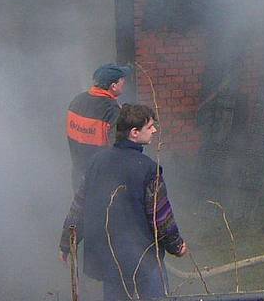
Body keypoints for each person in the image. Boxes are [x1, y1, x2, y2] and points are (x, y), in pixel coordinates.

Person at [59, 104, 188, 301]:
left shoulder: (97, 162)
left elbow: (79, 207)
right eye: (150, 127)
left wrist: (67, 243)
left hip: (109, 257)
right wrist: (176, 245)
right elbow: (160, 216)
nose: (154, 130)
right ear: (134, 133)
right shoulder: (148, 169)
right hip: (144, 259)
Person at [66, 63, 132, 190]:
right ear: (113, 86)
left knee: (81, 207)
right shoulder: (112, 110)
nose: (124, 83)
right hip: (102, 178)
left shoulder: (77, 100)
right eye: (122, 80)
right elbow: (117, 148)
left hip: (79, 174)